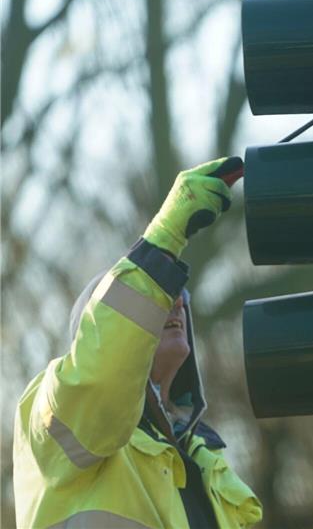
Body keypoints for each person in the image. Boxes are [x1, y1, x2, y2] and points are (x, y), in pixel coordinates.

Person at [13, 158, 262, 528]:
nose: (175, 302)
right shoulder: (56, 416)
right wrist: (164, 241)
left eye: (178, 296)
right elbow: (100, 377)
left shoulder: (207, 464)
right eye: (157, 298)